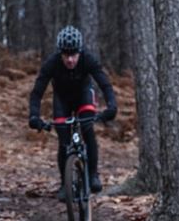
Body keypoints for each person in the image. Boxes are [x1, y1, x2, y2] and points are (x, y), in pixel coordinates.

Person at [28, 24, 117, 200]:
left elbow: (105, 84)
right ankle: (65, 184)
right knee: (63, 141)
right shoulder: (52, 63)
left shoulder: (88, 59)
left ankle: (93, 175)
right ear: (60, 53)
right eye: (66, 55)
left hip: (84, 95)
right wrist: (34, 116)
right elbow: (37, 92)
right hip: (62, 100)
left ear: (80, 52)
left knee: (87, 129)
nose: (70, 60)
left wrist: (112, 107)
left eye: (73, 54)